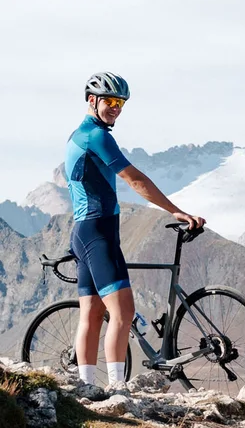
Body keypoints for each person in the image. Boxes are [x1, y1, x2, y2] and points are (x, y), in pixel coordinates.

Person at [65, 71, 205, 387]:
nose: (116, 108)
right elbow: (134, 179)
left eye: (120, 103)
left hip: (84, 232)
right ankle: (117, 387)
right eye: (110, 101)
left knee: (91, 314)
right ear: (92, 100)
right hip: (99, 233)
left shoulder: (77, 135)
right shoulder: (97, 137)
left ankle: (85, 388)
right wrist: (176, 211)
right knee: (123, 312)